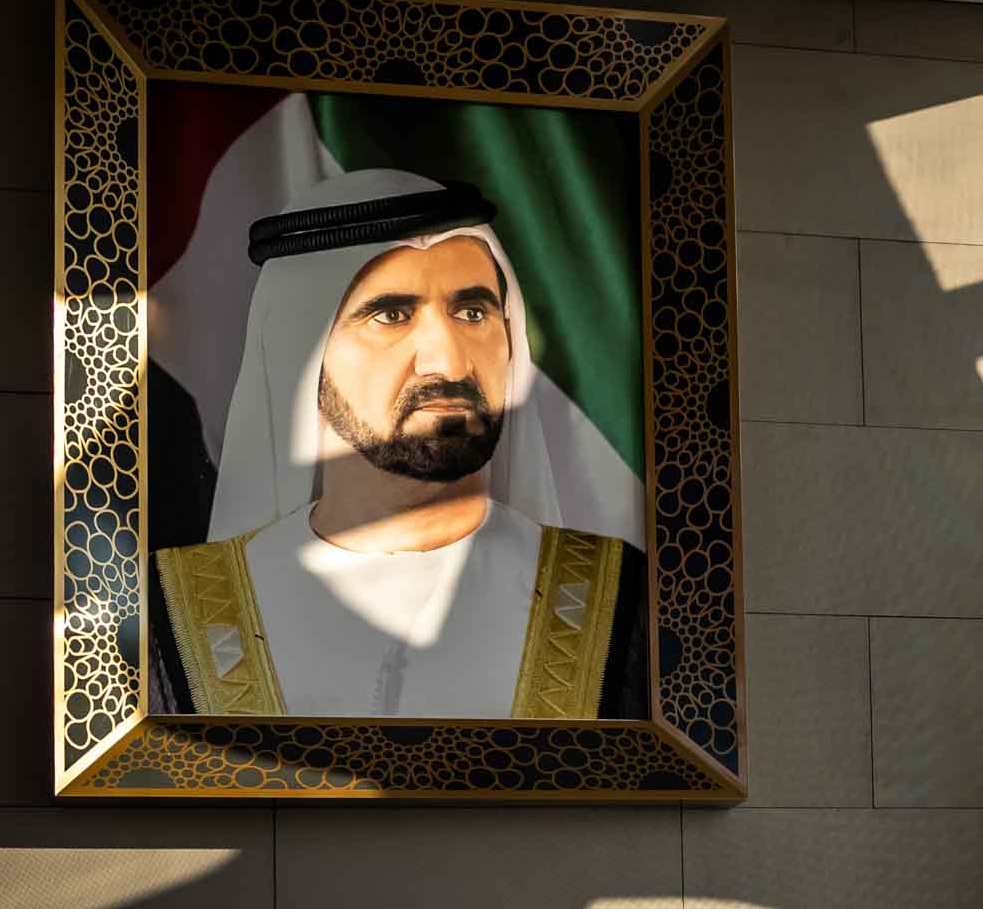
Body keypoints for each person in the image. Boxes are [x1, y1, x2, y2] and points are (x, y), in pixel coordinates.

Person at [148, 170, 645, 719]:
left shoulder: (623, 601)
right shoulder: (169, 615)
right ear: (300, 355)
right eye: (391, 315)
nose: (449, 361)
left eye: (473, 312)